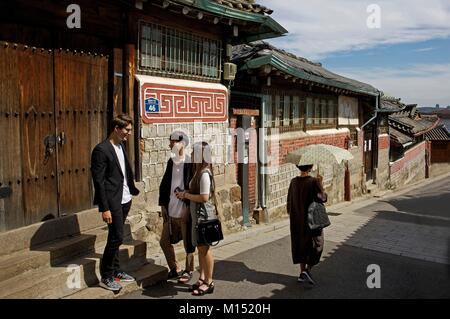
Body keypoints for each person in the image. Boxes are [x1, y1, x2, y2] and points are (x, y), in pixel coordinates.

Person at [91, 114, 140, 292]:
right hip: (112, 201)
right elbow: (99, 181)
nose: (128, 133)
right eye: (126, 130)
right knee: (116, 237)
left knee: (117, 237)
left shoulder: (121, 146)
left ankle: (116, 270)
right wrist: (105, 208)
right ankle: (107, 275)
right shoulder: (101, 150)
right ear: (116, 129)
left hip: (125, 198)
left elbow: (124, 171)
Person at [175, 142, 216, 296]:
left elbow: (204, 197)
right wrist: (185, 193)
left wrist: (185, 195)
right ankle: (202, 278)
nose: (191, 155)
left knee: (205, 250)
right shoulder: (198, 171)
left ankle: (209, 282)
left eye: (194, 153)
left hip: (203, 217)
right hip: (197, 217)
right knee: (200, 248)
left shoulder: (205, 173)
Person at [158, 131, 195, 282]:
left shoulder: (190, 163)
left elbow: (193, 188)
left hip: (184, 210)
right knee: (164, 241)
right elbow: (164, 185)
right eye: (170, 142)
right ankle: (175, 268)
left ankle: (189, 270)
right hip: (171, 209)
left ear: (182, 144)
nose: (170, 145)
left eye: (173, 142)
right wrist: (163, 205)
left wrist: (188, 207)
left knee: (189, 243)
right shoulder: (170, 162)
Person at [287, 164, 327, 285]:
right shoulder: (314, 181)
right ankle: (307, 271)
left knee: (300, 244)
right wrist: (321, 184)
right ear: (310, 168)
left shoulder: (293, 182)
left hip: (297, 219)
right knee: (317, 244)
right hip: (312, 220)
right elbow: (323, 198)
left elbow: (289, 201)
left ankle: (301, 273)